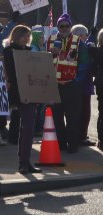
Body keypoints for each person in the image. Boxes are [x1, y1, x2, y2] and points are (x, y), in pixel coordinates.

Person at [2, 25, 42, 174]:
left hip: (30, 91)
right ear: (17, 35)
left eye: (28, 35)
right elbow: (12, 73)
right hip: (19, 92)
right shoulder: (8, 51)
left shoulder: (29, 51)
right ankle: (24, 162)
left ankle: (25, 161)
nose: (27, 38)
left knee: (27, 128)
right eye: (24, 35)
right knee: (27, 127)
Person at [46, 15, 83, 153]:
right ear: (57, 27)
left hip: (71, 85)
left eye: (67, 26)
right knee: (56, 117)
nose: (64, 28)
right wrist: (50, 54)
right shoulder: (50, 40)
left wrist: (76, 81)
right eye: (61, 26)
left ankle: (73, 145)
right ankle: (60, 144)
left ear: (70, 26)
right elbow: (44, 61)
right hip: (55, 85)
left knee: (73, 117)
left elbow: (84, 64)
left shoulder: (78, 41)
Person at [71, 24, 96, 148]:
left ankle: (76, 136)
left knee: (74, 111)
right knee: (84, 112)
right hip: (83, 82)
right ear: (81, 35)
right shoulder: (83, 47)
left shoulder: (71, 45)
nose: (86, 37)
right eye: (85, 35)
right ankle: (82, 136)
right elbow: (86, 65)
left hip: (73, 82)